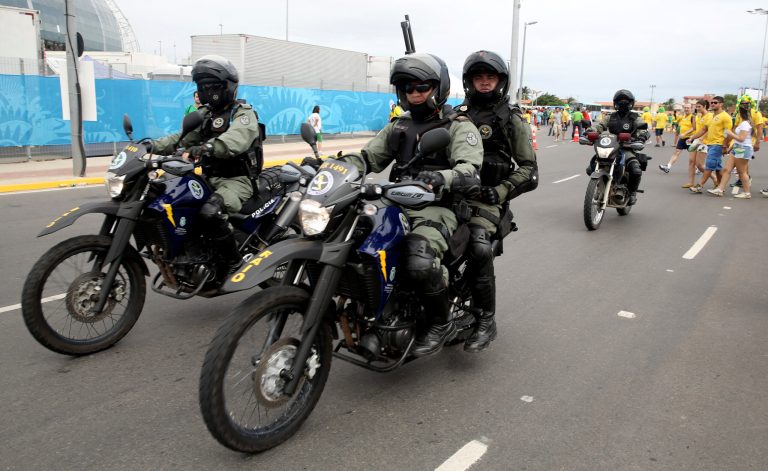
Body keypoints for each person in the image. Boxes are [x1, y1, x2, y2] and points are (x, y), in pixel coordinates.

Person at [360, 52, 484, 357]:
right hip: (395, 200)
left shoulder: (458, 126)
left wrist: (441, 178)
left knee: (418, 258)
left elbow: (470, 168)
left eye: (422, 87)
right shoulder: (398, 127)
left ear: (438, 88)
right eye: (408, 88)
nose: (414, 94)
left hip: (438, 207)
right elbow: (368, 157)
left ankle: (440, 323)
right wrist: (334, 167)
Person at [455, 50, 538, 352]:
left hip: (486, 199)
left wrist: (500, 192)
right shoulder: (457, 114)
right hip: (452, 192)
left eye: (490, 76)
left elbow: (530, 172)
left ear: (501, 80)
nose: (485, 81)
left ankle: (485, 320)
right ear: (470, 81)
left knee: (478, 247)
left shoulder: (510, 118)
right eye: (479, 77)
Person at [150, 55, 261, 272]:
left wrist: (208, 147)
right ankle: (192, 253)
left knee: (210, 212)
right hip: (210, 178)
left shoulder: (243, 114)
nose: (207, 91)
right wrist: (150, 146)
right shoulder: (205, 115)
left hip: (237, 181)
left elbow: (236, 139)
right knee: (175, 199)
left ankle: (234, 264)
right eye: (203, 86)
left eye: (212, 86)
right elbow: (179, 138)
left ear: (227, 87)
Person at [587, 89, 649, 205]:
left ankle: (632, 193)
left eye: (625, 100)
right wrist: (591, 131)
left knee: (636, 170)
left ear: (631, 102)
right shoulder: (611, 117)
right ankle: (601, 185)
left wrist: (641, 137)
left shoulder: (635, 117)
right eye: (620, 100)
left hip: (627, 148)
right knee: (591, 168)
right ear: (616, 102)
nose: (623, 102)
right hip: (611, 146)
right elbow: (600, 126)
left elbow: (643, 129)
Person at [707, 104, 755, 198]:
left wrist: (730, 133)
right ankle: (720, 189)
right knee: (726, 169)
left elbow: (741, 138)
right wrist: (731, 147)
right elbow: (739, 140)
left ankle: (747, 193)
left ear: (740, 113)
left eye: (737, 112)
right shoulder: (743, 122)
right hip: (737, 147)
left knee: (742, 172)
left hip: (743, 148)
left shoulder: (745, 124)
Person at [687, 96, 731, 193]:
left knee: (709, 166)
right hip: (711, 144)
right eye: (712, 102)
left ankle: (699, 186)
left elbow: (727, 133)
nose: (713, 104)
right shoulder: (712, 116)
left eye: (715, 102)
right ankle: (720, 188)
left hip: (718, 144)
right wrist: (693, 137)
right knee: (718, 167)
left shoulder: (725, 116)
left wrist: (724, 146)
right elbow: (704, 129)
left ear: (721, 104)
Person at [659, 104, 695, 173]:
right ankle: (668, 167)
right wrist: (678, 131)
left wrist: (685, 133)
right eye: (685, 108)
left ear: (691, 108)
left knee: (692, 157)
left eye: (688, 108)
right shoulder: (683, 116)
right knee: (676, 152)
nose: (686, 109)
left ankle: (698, 168)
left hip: (690, 139)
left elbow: (694, 128)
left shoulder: (693, 117)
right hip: (682, 138)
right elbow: (680, 125)